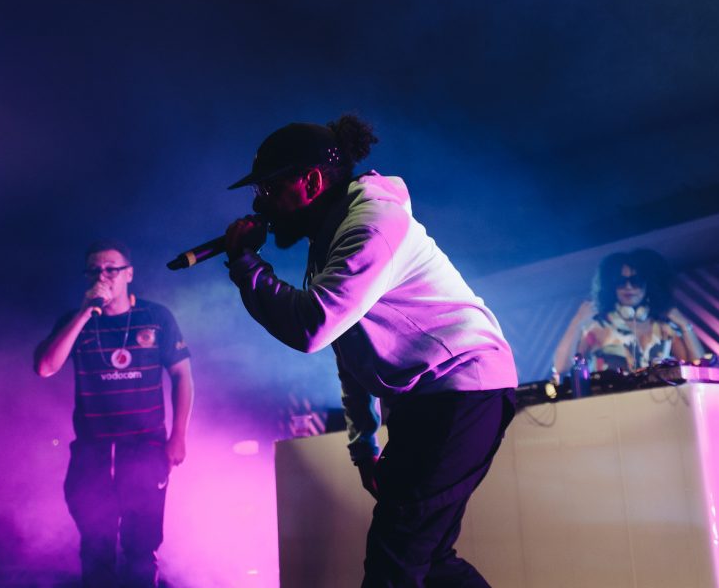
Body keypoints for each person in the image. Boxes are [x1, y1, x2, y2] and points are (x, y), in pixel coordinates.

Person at [223, 115, 518, 588]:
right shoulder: (330, 239)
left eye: (271, 188)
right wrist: (364, 446)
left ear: (311, 181)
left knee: (394, 561)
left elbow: (312, 327)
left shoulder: (372, 225)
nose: (262, 203)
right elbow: (349, 349)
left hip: (461, 389)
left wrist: (246, 264)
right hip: (432, 399)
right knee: (429, 562)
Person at [34, 240, 194, 588]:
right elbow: (45, 367)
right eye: (94, 270)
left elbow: (182, 375)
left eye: (111, 269)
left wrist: (178, 435)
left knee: (141, 548)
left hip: (145, 447)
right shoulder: (75, 321)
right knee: (95, 547)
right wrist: (84, 313)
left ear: (129, 274)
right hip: (92, 450)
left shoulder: (156, 317)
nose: (102, 276)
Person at [552, 248, 704, 375]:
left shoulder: (664, 327)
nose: (628, 287)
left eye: (636, 281)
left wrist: (685, 327)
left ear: (649, 284)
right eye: (620, 281)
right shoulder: (597, 326)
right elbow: (561, 368)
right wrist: (577, 321)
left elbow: (699, 368)